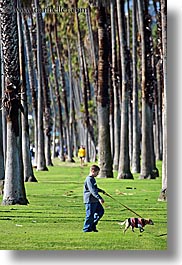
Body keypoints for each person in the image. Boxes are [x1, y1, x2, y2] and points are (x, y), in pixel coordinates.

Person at [83, 165, 105, 232]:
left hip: (94, 200)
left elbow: (95, 188)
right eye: (97, 172)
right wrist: (99, 198)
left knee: (100, 211)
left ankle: (92, 225)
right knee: (89, 215)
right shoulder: (89, 179)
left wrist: (101, 191)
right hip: (90, 200)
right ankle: (86, 228)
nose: (97, 174)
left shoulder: (92, 179)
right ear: (93, 171)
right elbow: (92, 190)